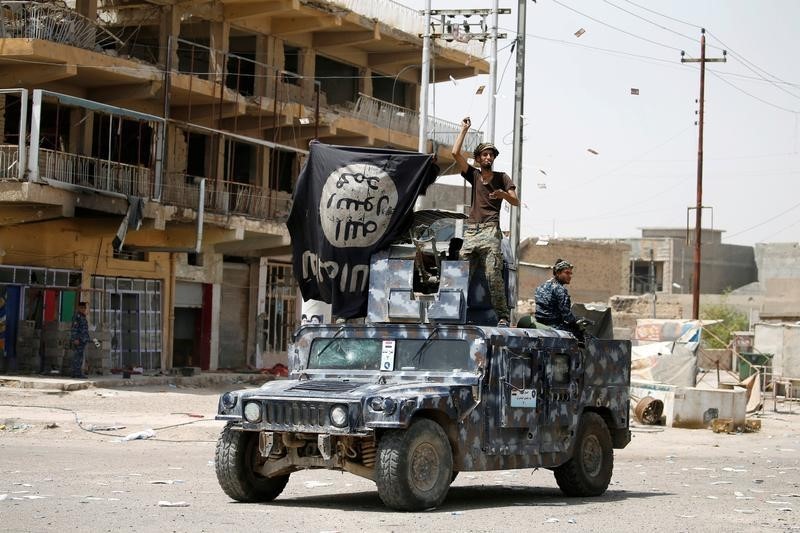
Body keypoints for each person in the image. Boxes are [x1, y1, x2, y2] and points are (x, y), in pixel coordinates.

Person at [452, 117, 520, 327]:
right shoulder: (473, 175)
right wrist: (464, 130)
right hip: (472, 231)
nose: (488, 157)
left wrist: (502, 194)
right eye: (485, 154)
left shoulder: (502, 177)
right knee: (459, 272)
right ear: (479, 158)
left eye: (491, 154)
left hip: (491, 231)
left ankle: (502, 316)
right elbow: (455, 154)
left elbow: (516, 201)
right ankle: (452, 311)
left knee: (493, 273)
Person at [534, 259, 582, 338]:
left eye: (570, 273)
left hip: (539, 324)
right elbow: (567, 316)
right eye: (566, 273)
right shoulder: (560, 290)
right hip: (555, 327)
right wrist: (577, 323)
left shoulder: (540, 287)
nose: (570, 276)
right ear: (557, 273)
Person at [69, 301, 91, 379]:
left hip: (82, 340)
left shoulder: (83, 316)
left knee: (80, 357)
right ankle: (76, 373)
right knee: (77, 357)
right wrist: (75, 339)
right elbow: (74, 328)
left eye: (84, 308)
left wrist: (87, 338)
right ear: (79, 308)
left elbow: (84, 329)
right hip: (78, 340)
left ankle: (77, 372)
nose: (83, 309)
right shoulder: (77, 317)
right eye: (81, 308)